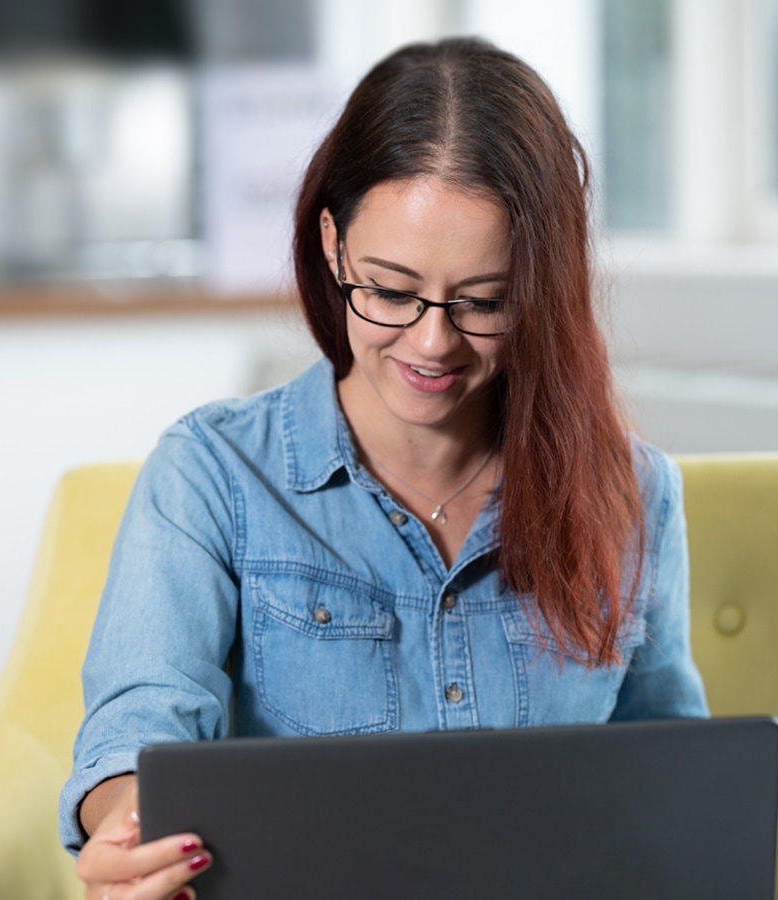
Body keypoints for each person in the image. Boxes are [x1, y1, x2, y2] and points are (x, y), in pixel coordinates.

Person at [59, 36, 708, 900]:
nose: (433, 342)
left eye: (484, 301)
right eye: (392, 291)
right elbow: (139, 725)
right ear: (333, 246)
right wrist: (130, 826)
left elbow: (670, 778)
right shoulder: (211, 476)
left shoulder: (637, 495)